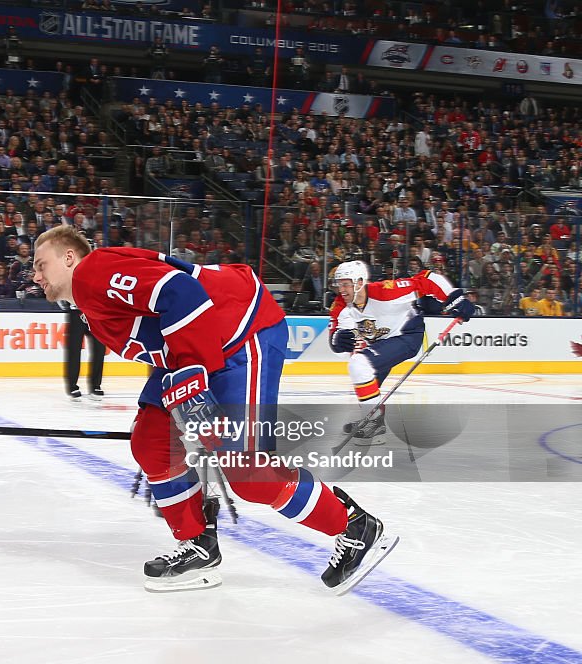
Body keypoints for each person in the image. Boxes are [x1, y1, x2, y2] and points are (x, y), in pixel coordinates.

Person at [30, 226, 397, 594]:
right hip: (200, 348)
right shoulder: (88, 303)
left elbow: (180, 291)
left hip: (241, 331)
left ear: (68, 258)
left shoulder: (94, 271)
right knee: (152, 441)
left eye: (40, 264)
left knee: (248, 473)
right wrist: (185, 378)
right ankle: (198, 545)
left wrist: (191, 373)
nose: (36, 275)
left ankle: (354, 526)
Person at [328, 260, 473, 440]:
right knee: (366, 379)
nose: (341, 289)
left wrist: (455, 297)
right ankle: (371, 418)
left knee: (359, 365)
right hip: (380, 341)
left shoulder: (386, 291)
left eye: (345, 284)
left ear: (359, 282)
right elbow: (334, 333)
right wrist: (337, 338)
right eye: (339, 284)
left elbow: (425, 278)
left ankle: (375, 421)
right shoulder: (340, 304)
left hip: (407, 335)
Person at [63, 301, 105, 401]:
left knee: (99, 349)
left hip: (96, 312)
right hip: (76, 311)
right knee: (74, 349)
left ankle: (95, 385)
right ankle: (72, 386)